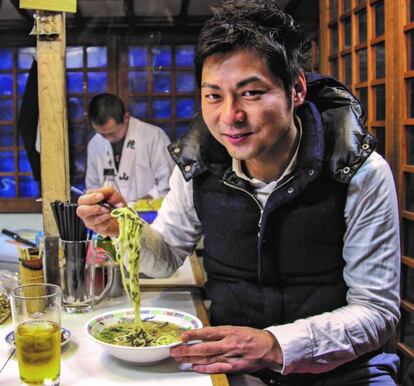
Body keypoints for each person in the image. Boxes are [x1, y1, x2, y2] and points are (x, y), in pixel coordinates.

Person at [77, 1, 401, 385]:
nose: (229, 116)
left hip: (344, 371)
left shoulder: (357, 171)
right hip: (235, 366)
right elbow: (164, 259)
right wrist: (123, 226)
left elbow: (377, 312)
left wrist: (274, 344)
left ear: (296, 89)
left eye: (250, 93)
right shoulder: (198, 164)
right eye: (214, 96)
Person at [85, 93, 174, 203]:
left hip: (150, 212)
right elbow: (93, 186)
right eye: (102, 134)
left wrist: (139, 205)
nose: (107, 139)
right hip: (110, 213)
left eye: (112, 133)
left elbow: (167, 183)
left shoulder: (153, 136)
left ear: (126, 117)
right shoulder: (95, 143)